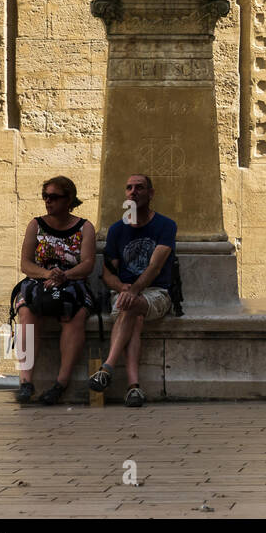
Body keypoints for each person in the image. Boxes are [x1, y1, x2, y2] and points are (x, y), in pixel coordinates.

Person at [88, 174, 177, 407]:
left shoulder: (165, 226)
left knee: (130, 304)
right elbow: (107, 273)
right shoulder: (118, 230)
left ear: (151, 193)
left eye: (139, 187)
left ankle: (107, 368)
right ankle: (133, 388)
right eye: (129, 187)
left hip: (157, 293)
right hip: (126, 294)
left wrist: (134, 290)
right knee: (133, 315)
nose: (133, 192)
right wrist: (122, 288)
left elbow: (155, 267)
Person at [11, 177, 96, 405]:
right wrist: (49, 274)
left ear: (69, 199)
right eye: (45, 196)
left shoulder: (84, 227)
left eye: (54, 197)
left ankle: (61, 383)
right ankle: (26, 381)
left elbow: (88, 263)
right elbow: (26, 264)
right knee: (27, 312)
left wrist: (64, 276)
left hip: (72, 281)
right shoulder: (36, 225)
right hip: (40, 279)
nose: (48, 201)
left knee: (74, 315)